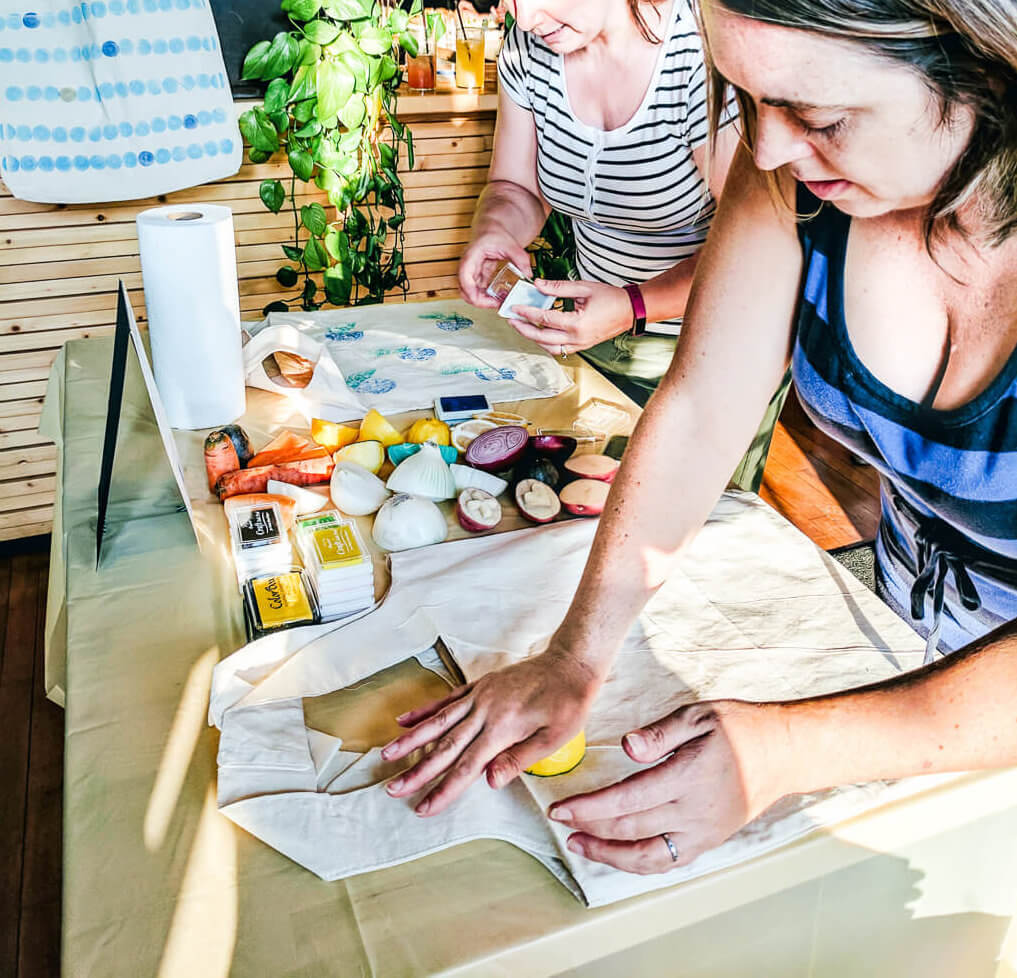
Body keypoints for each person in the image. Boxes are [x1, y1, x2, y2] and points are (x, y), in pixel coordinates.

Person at [384, 0, 1017, 874]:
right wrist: (575, 654)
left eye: (820, 117)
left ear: (988, 64)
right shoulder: (793, 174)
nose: (767, 151)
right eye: (743, 100)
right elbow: (700, 407)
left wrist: (791, 751)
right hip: (913, 658)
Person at [457, 0, 789, 490]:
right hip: (599, 341)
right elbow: (514, 186)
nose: (523, 19)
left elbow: (760, 246)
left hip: (714, 348)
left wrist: (635, 304)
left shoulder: (702, 54)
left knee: (685, 532)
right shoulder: (529, 45)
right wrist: (496, 231)